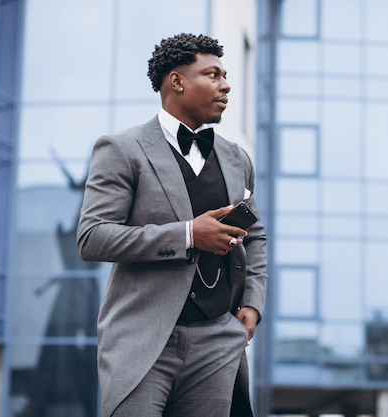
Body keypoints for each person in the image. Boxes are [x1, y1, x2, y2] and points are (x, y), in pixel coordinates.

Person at [77, 33, 268, 417]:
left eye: (225, 75)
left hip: (217, 340)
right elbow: (92, 237)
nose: (226, 84)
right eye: (212, 75)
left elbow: (256, 233)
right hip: (142, 340)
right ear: (177, 82)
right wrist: (188, 235)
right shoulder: (122, 150)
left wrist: (253, 301)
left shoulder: (236, 159)